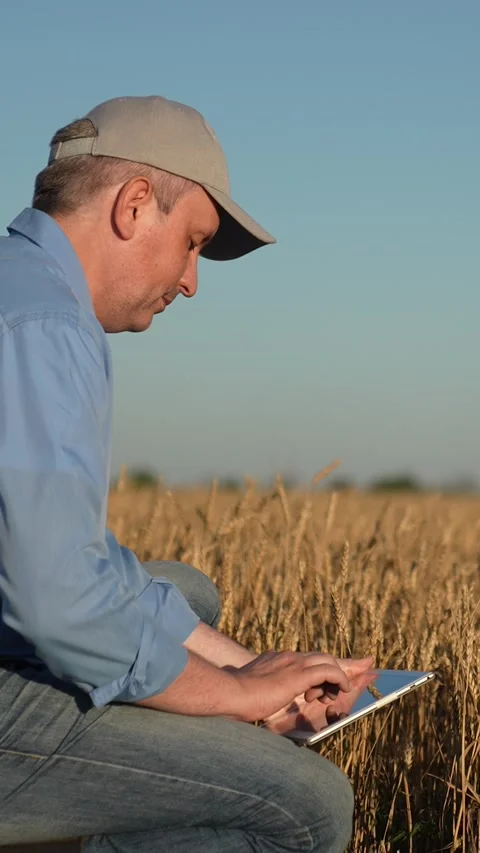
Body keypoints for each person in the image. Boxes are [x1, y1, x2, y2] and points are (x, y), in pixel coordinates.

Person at [0, 95, 374, 853]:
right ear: (135, 205)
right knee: (309, 807)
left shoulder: (26, 287)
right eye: (193, 242)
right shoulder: (43, 327)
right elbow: (59, 601)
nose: (192, 281)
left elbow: (80, 559)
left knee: (188, 597)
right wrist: (232, 697)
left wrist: (250, 668)